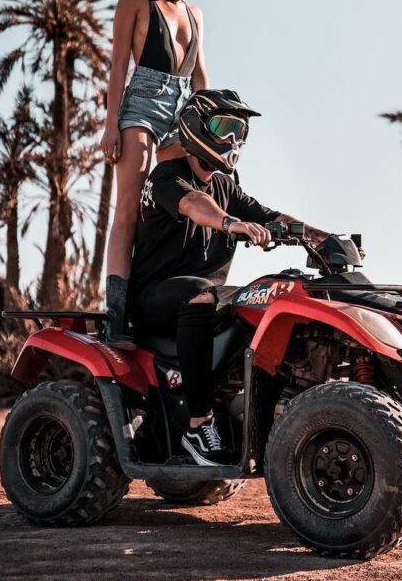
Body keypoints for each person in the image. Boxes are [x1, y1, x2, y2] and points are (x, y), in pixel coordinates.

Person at [128, 89, 329, 466]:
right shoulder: (167, 177)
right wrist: (232, 223)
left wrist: (325, 237)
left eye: (241, 131)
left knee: (272, 297)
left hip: (205, 297)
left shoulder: (226, 185)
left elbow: (272, 215)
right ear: (195, 127)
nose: (234, 139)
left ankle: (266, 410)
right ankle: (197, 424)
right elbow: (193, 205)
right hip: (155, 299)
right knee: (201, 292)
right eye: (225, 127)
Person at [101, 0, 213, 348]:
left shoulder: (197, 15)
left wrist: (210, 127)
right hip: (141, 106)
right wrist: (112, 123)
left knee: (167, 212)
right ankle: (116, 318)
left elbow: (202, 78)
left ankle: (156, 306)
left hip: (183, 113)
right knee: (128, 208)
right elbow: (116, 66)